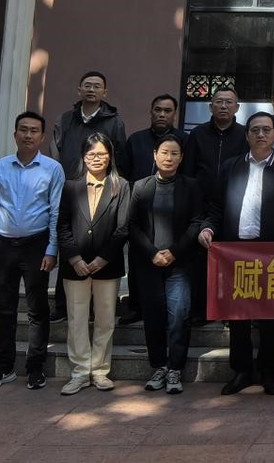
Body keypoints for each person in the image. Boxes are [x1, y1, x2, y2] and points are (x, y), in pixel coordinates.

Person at [198, 112, 274, 395]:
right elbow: (216, 207)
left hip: (272, 253)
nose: (260, 134)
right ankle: (241, 370)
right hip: (236, 252)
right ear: (246, 135)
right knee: (238, 316)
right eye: (255, 130)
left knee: (271, 316)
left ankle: (268, 371)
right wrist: (208, 228)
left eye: (266, 130)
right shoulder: (231, 167)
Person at [0, 112, 65, 392]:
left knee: (37, 309)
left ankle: (35, 367)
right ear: (15, 133)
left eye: (34, 130)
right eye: (23, 129)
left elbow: (56, 212)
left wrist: (52, 249)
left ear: (42, 136)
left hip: (37, 245)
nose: (28, 135)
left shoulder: (52, 169)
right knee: (4, 308)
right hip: (2, 245)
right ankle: (3, 367)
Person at [48, 70, 129, 323]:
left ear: (105, 92)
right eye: (87, 85)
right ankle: (62, 306)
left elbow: (120, 156)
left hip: (103, 189)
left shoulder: (114, 122)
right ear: (79, 90)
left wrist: (115, 186)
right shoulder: (65, 119)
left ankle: (96, 308)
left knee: (100, 244)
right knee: (69, 247)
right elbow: (55, 152)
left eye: (96, 86)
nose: (91, 89)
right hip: (72, 190)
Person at [56, 132, 131, 395]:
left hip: (107, 265)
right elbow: (62, 225)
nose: (96, 158)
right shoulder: (70, 186)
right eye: (91, 154)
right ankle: (79, 373)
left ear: (110, 157)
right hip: (74, 266)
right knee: (76, 319)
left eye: (102, 154)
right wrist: (74, 258)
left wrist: (103, 258)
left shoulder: (121, 186)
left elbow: (123, 228)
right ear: (83, 156)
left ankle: (99, 371)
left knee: (105, 319)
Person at [128, 135, 203, 395]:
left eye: (174, 153)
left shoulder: (191, 186)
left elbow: (196, 222)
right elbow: (132, 225)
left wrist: (173, 252)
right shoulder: (141, 186)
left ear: (181, 158)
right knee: (153, 316)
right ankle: (159, 366)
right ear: (154, 155)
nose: (168, 158)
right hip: (149, 263)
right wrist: (152, 253)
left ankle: (175, 369)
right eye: (164, 152)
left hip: (180, 264)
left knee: (179, 316)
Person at [119, 93, 186, 325]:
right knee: (138, 260)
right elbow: (124, 172)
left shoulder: (184, 141)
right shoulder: (136, 140)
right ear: (151, 112)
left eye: (167, 111)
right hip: (140, 209)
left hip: (172, 210)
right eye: (158, 110)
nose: (162, 114)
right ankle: (136, 306)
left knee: (172, 261)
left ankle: (168, 306)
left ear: (174, 114)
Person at [182, 86, 248, 325]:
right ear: (210, 107)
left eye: (229, 102)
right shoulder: (197, 134)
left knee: (231, 261)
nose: (223, 106)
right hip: (201, 206)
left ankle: (229, 311)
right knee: (200, 261)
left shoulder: (244, 135)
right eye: (219, 101)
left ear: (237, 108)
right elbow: (188, 171)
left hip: (233, 207)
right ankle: (201, 311)